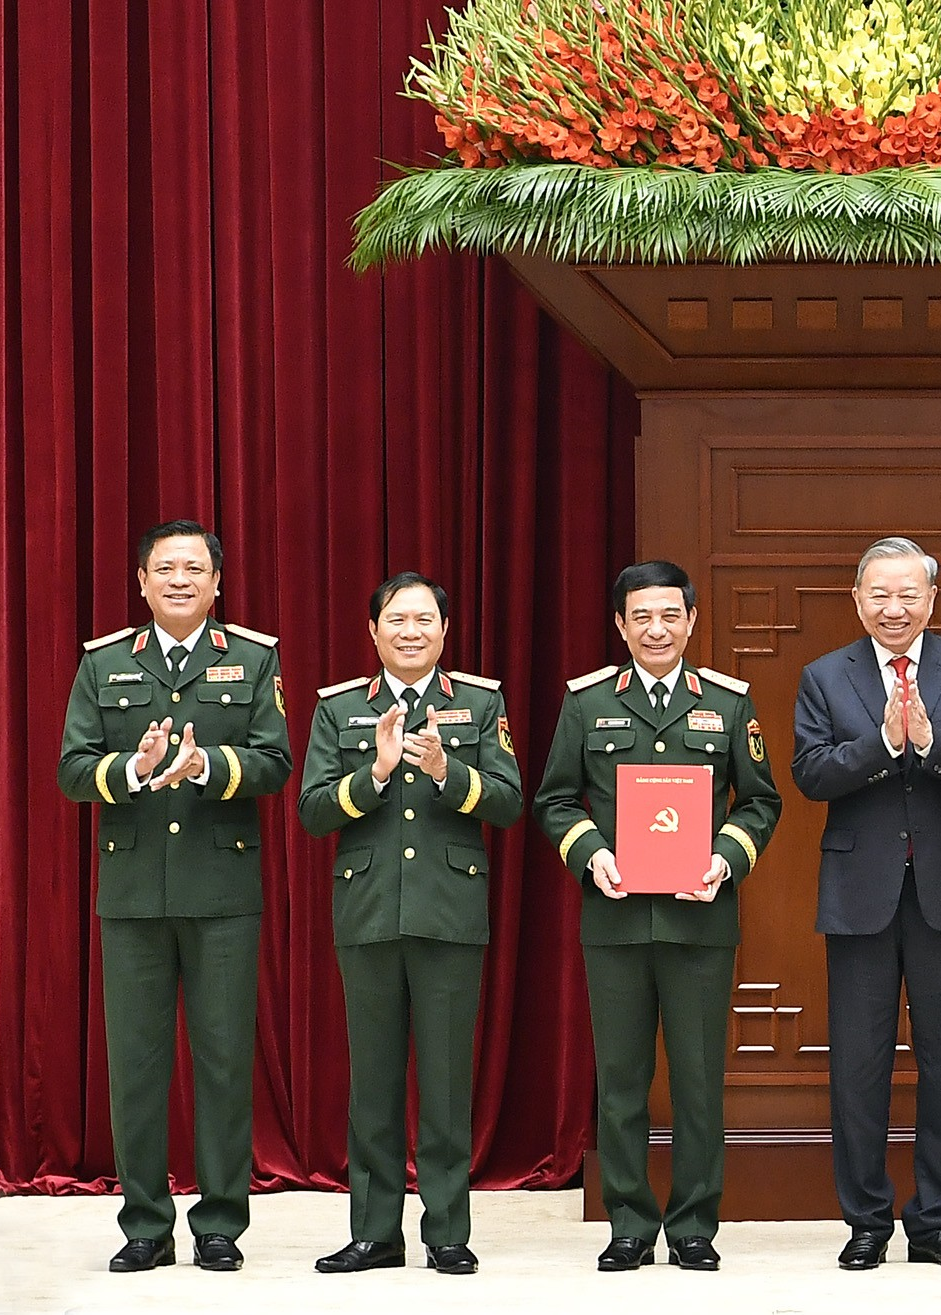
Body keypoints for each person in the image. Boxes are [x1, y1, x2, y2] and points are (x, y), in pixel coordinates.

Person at [532, 560, 783, 1274]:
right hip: (614, 922)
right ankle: (631, 1222)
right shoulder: (585, 704)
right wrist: (592, 854)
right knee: (620, 1081)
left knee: (700, 1081)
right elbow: (554, 800)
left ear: (692, 620)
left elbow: (762, 800)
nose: (657, 628)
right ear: (620, 624)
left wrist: (725, 859)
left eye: (670, 614)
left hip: (701, 921)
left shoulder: (728, 704)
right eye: (641, 616)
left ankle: (696, 1224)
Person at [57, 519, 292, 1273]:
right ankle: (145, 1225)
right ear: (142, 582)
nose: (181, 579)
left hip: (224, 889)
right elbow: (71, 768)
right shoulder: (104, 663)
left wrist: (206, 766)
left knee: (224, 1060)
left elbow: (276, 761)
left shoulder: (254, 659)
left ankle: (220, 1221)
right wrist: (133, 768)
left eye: (196, 568)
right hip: (131, 893)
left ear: (218, 583)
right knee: (137, 1065)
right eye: (166, 568)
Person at [791, 536, 941, 1270]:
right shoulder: (825, 676)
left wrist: (930, 739)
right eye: (879, 595)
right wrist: (882, 746)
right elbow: (811, 775)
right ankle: (865, 1220)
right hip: (860, 895)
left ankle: (937, 1219)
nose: (894, 607)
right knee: (859, 1064)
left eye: (908, 594)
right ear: (857, 601)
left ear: (931, 599)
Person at [298, 572, 523, 1275]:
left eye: (424, 618)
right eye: (396, 619)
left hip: (450, 913)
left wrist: (447, 772)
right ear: (373, 631)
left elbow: (511, 802)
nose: (410, 630)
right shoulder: (339, 709)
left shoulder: (480, 704)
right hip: (366, 912)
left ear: (445, 630)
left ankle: (447, 1231)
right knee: (373, 1082)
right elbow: (311, 809)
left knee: (448, 1082)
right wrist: (375, 774)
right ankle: (374, 1231)